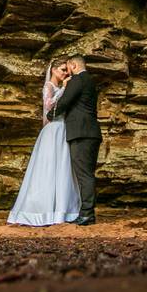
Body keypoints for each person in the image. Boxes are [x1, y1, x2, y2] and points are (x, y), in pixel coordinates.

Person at [7, 58, 81, 226]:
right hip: (53, 129)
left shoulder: (63, 87)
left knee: (63, 168)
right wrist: (63, 89)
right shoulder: (48, 87)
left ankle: (63, 210)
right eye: (62, 70)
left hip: (63, 129)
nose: (65, 73)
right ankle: (41, 209)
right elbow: (48, 106)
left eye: (67, 71)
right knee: (48, 167)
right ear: (53, 69)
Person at [47, 54, 102, 225]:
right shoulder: (91, 81)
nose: (68, 72)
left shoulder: (78, 80)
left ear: (73, 65)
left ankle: (87, 214)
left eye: (68, 67)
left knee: (83, 175)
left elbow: (64, 101)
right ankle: (87, 211)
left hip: (81, 133)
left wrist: (51, 115)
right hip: (91, 132)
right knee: (88, 173)